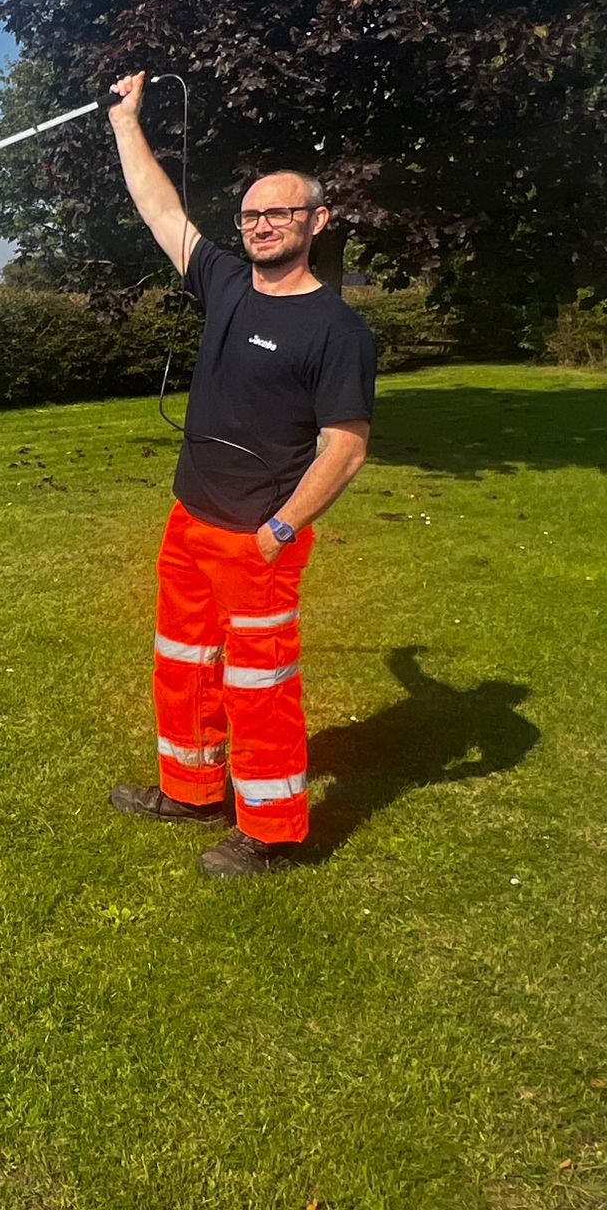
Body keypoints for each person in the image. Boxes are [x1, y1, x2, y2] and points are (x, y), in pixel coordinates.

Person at [105, 70, 377, 878]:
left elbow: (345, 446)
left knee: (260, 687)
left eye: (280, 212)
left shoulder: (337, 330)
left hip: (258, 537)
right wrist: (127, 124)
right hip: (190, 520)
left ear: (317, 221)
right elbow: (161, 208)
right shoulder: (225, 282)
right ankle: (189, 790)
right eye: (253, 214)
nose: (262, 225)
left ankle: (273, 831)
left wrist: (281, 530)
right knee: (183, 663)